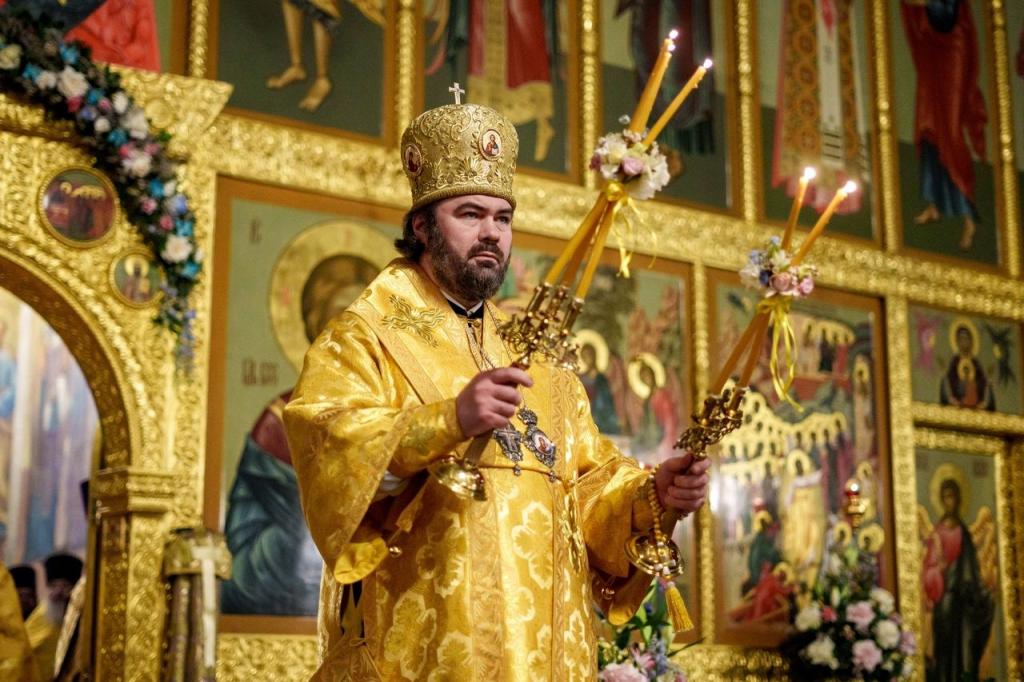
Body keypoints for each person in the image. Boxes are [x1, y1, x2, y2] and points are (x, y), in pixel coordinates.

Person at [284, 98, 710, 678]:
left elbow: (587, 489)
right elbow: (331, 450)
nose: (491, 233)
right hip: (427, 657)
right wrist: (449, 420)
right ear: (421, 225)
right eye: (470, 214)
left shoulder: (539, 357)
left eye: (503, 218)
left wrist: (652, 495)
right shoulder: (365, 335)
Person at [901, 0, 988, 250]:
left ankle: (968, 213)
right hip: (931, 54)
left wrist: (924, 3)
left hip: (952, 51)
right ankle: (934, 204)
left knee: (950, 132)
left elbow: (946, 14)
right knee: (927, 126)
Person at [922, 478, 994, 681]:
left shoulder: (964, 533)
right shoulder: (937, 534)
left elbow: (972, 569)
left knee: (965, 648)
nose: (949, 501)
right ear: (941, 500)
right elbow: (929, 571)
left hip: (964, 601)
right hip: (945, 601)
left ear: (959, 499)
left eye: (952, 496)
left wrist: (978, 589)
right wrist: (939, 569)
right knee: (945, 650)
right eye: (946, 497)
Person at [24, 553, 82, 680]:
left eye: (65, 586)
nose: (58, 592)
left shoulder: (83, 619)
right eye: (53, 585)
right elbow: (24, 650)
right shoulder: (41, 614)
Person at [939, 322, 994, 410]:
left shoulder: (975, 362)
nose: (964, 342)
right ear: (957, 342)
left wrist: (976, 384)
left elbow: (983, 382)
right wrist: (961, 384)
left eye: (967, 339)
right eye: (961, 339)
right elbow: (951, 381)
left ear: (971, 341)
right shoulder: (955, 361)